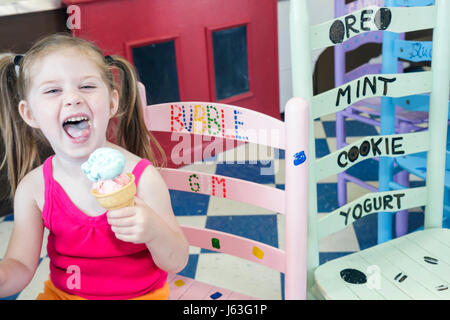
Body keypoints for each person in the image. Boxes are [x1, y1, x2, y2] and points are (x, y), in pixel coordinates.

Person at [0, 33, 189, 300]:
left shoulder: (143, 178)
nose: (72, 98)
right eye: (53, 90)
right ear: (29, 114)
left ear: (112, 103)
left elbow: (177, 260)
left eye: (87, 87)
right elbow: (20, 266)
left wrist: (154, 231)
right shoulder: (34, 189)